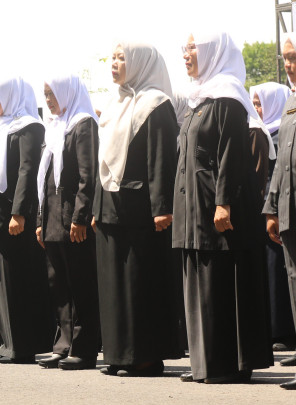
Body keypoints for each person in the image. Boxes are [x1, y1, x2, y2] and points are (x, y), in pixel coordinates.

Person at [175, 32, 274, 383]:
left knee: (220, 283)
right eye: (184, 48)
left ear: (211, 52)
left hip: (217, 207)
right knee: (200, 282)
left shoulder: (228, 97)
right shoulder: (198, 100)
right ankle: (204, 362)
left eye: (192, 48)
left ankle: (226, 364)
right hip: (194, 207)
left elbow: (231, 157)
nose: (186, 54)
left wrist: (223, 203)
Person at [94, 42, 183, 376]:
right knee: (113, 286)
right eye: (113, 57)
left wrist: (162, 207)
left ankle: (144, 355)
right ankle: (118, 354)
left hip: (140, 210)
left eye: (122, 58)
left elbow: (161, 159)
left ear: (140, 64)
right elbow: (104, 161)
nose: (114, 63)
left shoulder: (156, 104)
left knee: (138, 284)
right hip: (109, 207)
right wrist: (95, 206)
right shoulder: (114, 104)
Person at [0, 77, 52, 364]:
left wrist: (18, 212)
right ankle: (7, 344)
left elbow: (26, 171)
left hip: (10, 216)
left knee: (15, 283)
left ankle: (21, 346)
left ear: (10, 94)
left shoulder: (28, 127)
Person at [35, 74, 101, 370]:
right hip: (52, 218)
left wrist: (80, 217)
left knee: (80, 284)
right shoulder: (54, 127)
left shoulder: (83, 123)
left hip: (72, 219)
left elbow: (88, 176)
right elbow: (45, 179)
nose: (48, 100)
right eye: (45, 94)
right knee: (58, 284)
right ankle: (63, 344)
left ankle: (84, 348)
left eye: (52, 93)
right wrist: (40, 220)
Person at [250, 82, 295, 352]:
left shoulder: (283, 131)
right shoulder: (260, 132)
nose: (257, 108)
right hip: (268, 209)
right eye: (254, 102)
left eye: (261, 102)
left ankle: (285, 331)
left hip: (282, 209)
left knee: (280, 271)